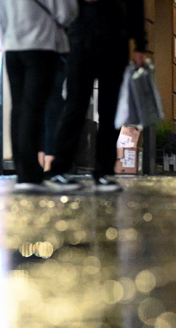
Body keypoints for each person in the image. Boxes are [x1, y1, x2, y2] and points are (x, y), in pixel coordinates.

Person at [46, 0, 148, 193]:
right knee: (76, 106)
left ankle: (104, 172)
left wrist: (140, 44)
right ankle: (60, 168)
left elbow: (136, 5)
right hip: (82, 38)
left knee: (108, 110)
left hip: (114, 39)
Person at [0, 0, 77, 193]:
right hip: (40, 44)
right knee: (33, 108)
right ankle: (29, 175)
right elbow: (66, 12)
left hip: (12, 46)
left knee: (18, 109)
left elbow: (1, 15)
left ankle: (23, 172)